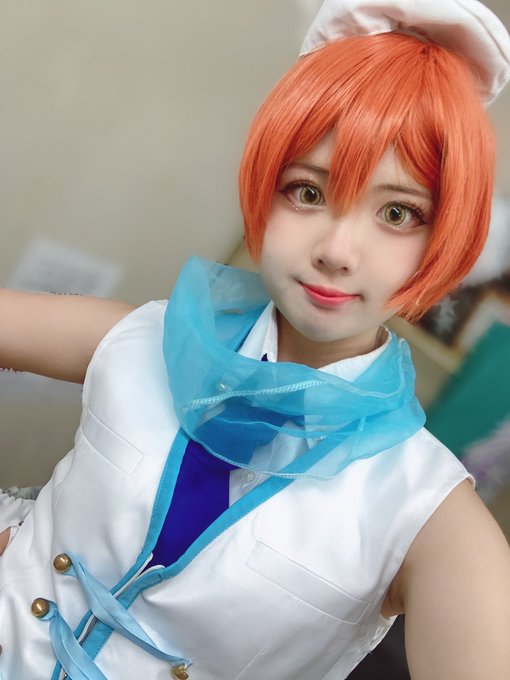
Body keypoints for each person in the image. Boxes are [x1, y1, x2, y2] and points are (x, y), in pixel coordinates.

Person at [1, 1, 510, 678]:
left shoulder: (426, 514)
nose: (337, 250)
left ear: (443, 240)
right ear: (265, 191)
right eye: (308, 192)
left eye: (397, 212)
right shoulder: (144, 339)